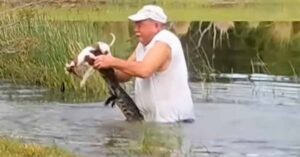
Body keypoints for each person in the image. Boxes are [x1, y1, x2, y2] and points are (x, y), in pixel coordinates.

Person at [93, 4, 195, 123]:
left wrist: (113, 61)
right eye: (135, 24)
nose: (136, 28)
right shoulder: (143, 45)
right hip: (155, 122)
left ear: (156, 25)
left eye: (140, 24)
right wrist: (102, 65)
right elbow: (124, 75)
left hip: (175, 122)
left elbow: (144, 70)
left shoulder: (164, 42)